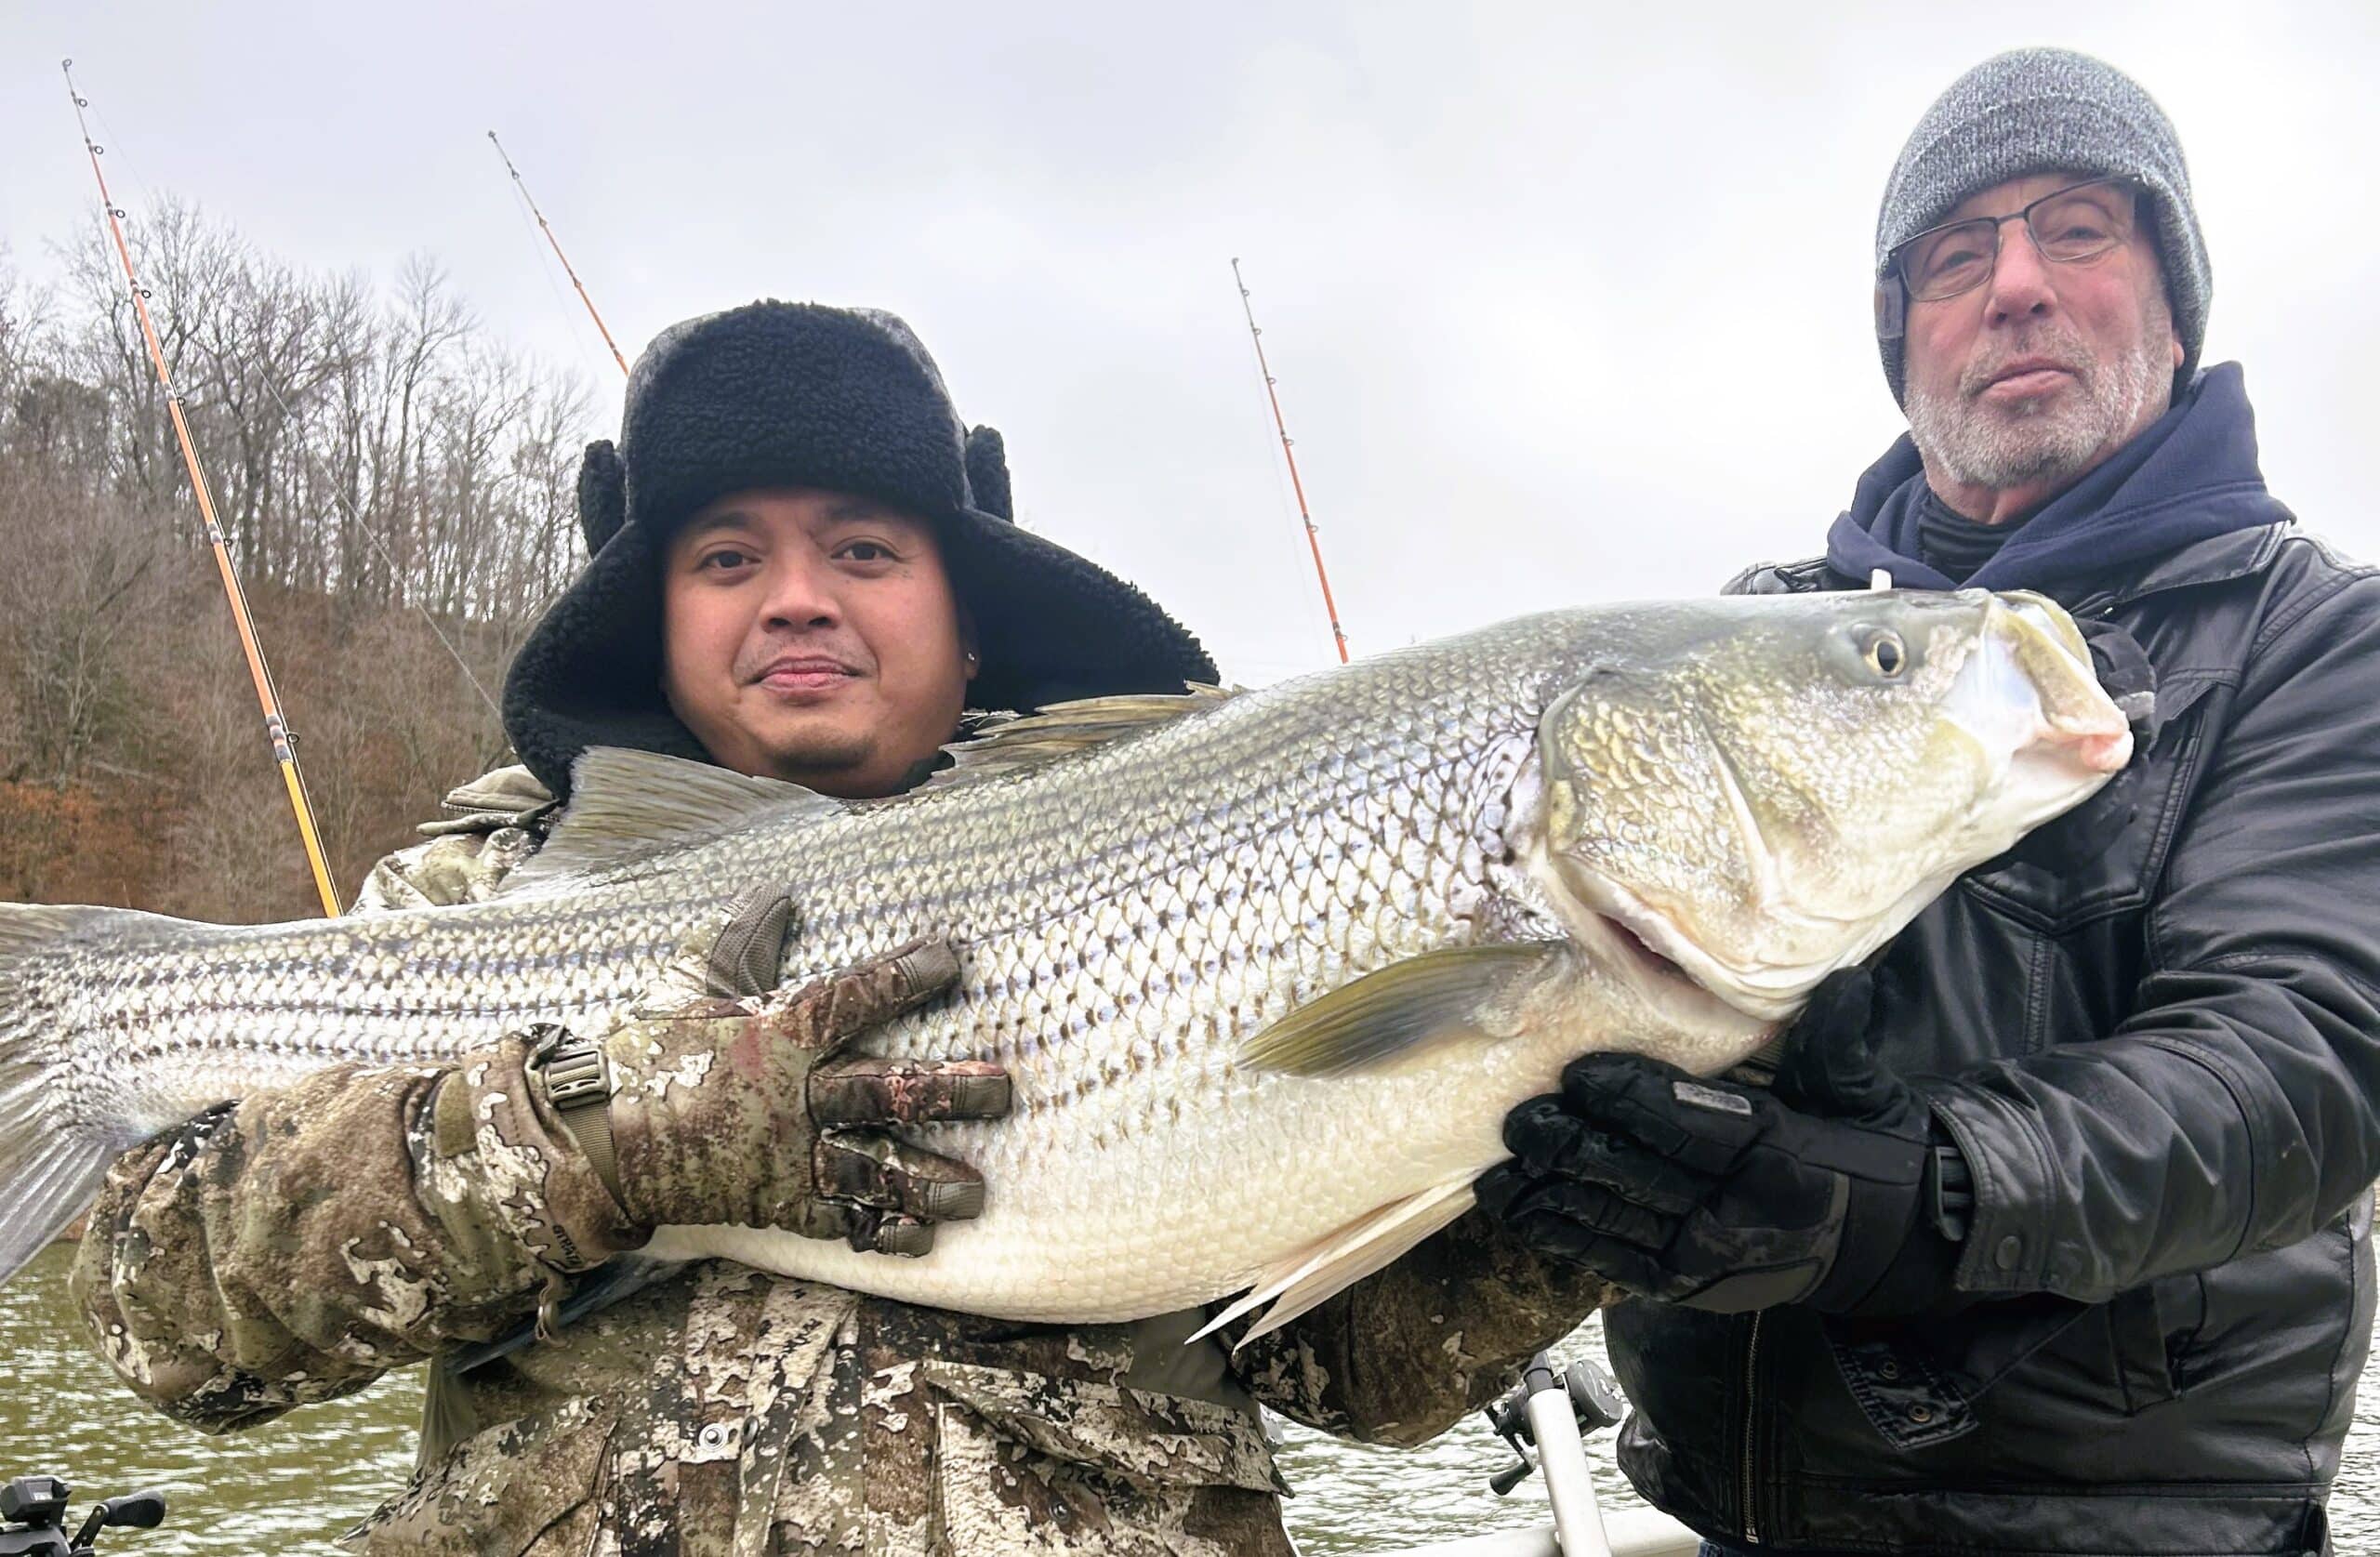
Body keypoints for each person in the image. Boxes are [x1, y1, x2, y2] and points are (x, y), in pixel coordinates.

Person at [70, 301, 1604, 1554]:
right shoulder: (469, 900)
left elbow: (1356, 1374)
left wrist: (1575, 1201)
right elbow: (176, 1322)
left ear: (968, 605)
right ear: (653, 612)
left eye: (865, 550)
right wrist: (609, 1135)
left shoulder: (1203, 855)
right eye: (728, 558)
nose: (798, 600)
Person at [1481, 46, 2380, 1557]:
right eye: (1958, 256)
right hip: (1732, 1511)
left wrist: (1917, 1193)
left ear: (2175, 304)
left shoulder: (2318, 639)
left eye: (2079, 227)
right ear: (1904, 345)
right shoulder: (1755, 622)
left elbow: (2302, 1057)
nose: (2016, 284)